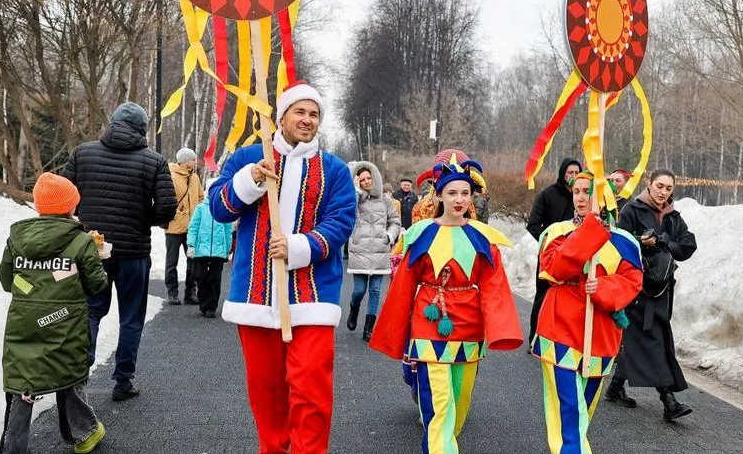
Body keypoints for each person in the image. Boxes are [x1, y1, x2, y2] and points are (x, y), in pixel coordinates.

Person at [209, 82, 356, 454]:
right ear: (282, 116)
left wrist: (298, 246)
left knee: (311, 391)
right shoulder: (246, 158)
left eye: (314, 114)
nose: (307, 121)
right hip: (255, 298)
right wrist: (253, 180)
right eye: (300, 112)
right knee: (266, 393)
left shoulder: (334, 170)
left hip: (312, 297)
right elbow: (218, 209)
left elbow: (341, 222)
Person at [370, 156, 522, 453]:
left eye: (465, 193)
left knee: (458, 406)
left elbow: (495, 287)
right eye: (452, 192)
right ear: (438, 194)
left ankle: (445, 442)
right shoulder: (420, 234)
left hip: (469, 328)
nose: (459, 199)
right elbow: (403, 287)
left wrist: (502, 329)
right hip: (429, 321)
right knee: (439, 406)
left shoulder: (483, 238)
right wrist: (395, 333)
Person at [62, 102, 177, 401]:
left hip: (91, 250)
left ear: (111, 124)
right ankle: (123, 381)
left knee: (90, 311)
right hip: (133, 251)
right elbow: (166, 208)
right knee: (130, 317)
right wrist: (142, 219)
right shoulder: (154, 161)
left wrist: (82, 220)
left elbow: (64, 196)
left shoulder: (82, 153)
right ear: (142, 129)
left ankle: (78, 375)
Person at [531, 171, 643, 454]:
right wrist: (589, 232)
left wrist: (603, 287)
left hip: (601, 332)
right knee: (569, 405)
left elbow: (632, 282)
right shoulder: (556, 232)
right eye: (577, 191)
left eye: (588, 192)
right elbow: (555, 268)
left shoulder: (625, 241)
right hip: (560, 324)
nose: (581, 197)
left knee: (584, 407)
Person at [0, 172, 109, 454]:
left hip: (23, 321)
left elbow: (7, 279)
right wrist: (99, 258)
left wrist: (31, 290)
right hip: (65, 322)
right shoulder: (81, 241)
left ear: (38, 206)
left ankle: (13, 448)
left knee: (23, 381)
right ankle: (83, 434)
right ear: (70, 207)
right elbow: (97, 285)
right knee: (68, 375)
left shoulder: (16, 239)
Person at [607, 169, 697, 421]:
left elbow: (688, 245)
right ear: (649, 184)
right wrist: (639, 241)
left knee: (644, 339)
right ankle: (669, 400)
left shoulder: (673, 217)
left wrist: (664, 241)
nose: (663, 192)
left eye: (668, 188)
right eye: (659, 186)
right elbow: (616, 243)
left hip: (661, 289)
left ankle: (615, 387)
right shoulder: (632, 210)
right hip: (635, 288)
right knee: (652, 340)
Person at [526, 157, 583, 344]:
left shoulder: (584, 197)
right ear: (562, 174)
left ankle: (563, 337)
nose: (573, 176)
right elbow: (534, 224)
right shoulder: (548, 194)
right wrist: (549, 242)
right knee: (543, 294)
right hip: (550, 254)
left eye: (576, 173)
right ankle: (536, 336)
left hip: (575, 255)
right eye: (570, 173)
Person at [346, 162, 401, 341]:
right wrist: (354, 190)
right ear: (358, 181)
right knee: (359, 290)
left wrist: (389, 236)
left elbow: (395, 222)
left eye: (369, 178)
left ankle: (368, 328)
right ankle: (354, 309)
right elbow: (347, 214)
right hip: (360, 249)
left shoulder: (385, 200)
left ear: (374, 177)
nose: (366, 182)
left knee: (376, 290)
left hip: (380, 250)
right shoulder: (353, 196)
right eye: (362, 180)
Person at [187, 178, 234, 318]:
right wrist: (191, 244)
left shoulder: (224, 210)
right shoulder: (201, 208)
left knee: (215, 279)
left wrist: (227, 248)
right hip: (201, 249)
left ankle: (211, 308)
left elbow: (228, 230)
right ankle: (203, 303)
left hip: (218, 251)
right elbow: (193, 228)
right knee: (200, 277)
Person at [165, 147, 205, 305]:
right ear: (184, 161)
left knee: (193, 260)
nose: (195, 162)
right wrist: (175, 211)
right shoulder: (171, 176)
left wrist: (199, 213)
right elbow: (165, 198)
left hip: (192, 228)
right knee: (172, 261)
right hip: (174, 227)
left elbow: (201, 197)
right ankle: (172, 292)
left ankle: (190, 293)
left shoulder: (194, 177)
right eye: (192, 159)